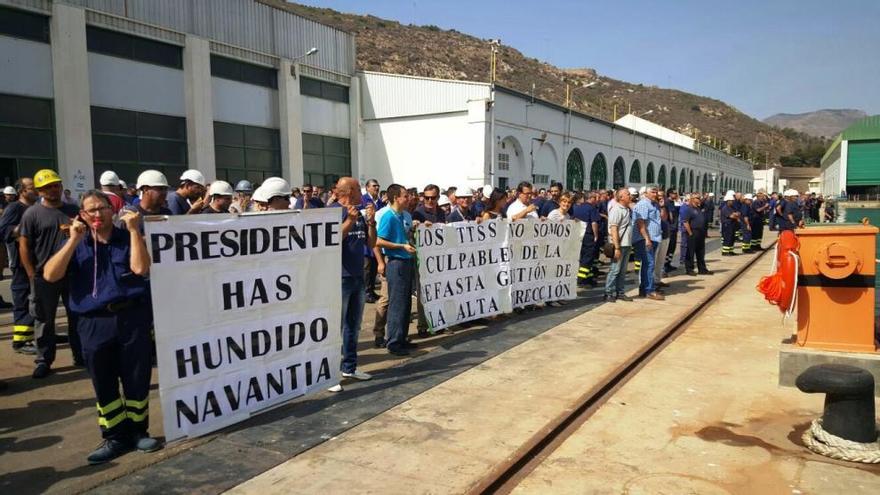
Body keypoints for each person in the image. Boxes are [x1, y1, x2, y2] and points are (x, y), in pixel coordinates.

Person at [42, 191, 160, 464]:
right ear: (81, 215)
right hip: (94, 323)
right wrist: (73, 238)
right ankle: (114, 437)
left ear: (113, 210)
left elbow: (141, 269)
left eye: (102, 208)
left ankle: (138, 431)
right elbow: (50, 275)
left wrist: (132, 230)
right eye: (90, 210)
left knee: (136, 377)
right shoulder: (76, 244)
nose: (97, 214)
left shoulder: (127, 238)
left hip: (131, 319)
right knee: (103, 381)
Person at [18, 169, 82, 378]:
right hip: (44, 276)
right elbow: (24, 246)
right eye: (47, 187)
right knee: (44, 320)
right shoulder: (32, 214)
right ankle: (44, 359)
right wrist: (30, 274)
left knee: (77, 317)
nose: (53, 190)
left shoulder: (73, 210)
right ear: (39, 191)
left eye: (56, 185)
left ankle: (80, 355)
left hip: (73, 274)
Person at [328, 178, 376, 392]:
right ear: (347, 191)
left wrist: (372, 222)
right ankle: (331, 375)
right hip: (339, 276)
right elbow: (331, 238)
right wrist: (348, 221)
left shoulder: (360, 212)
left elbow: (371, 243)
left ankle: (350, 367)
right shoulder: (332, 211)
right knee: (335, 328)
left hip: (357, 276)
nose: (361, 192)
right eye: (358, 189)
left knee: (353, 326)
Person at [375, 184, 417, 356]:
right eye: (405, 196)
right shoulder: (388, 217)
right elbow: (379, 241)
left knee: (405, 302)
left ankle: (402, 337)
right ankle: (393, 341)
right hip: (396, 262)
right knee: (397, 303)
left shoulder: (401, 216)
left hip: (406, 261)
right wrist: (401, 246)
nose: (408, 199)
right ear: (395, 198)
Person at [0, 178, 38, 353]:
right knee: (22, 300)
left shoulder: (35, 208)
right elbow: (4, 231)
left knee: (37, 300)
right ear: (22, 190)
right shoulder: (15, 208)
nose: (36, 189)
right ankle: (21, 342)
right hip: (21, 264)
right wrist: (26, 227)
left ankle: (38, 335)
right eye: (32, 187)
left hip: (36, 261)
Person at [632, 185, 664, 300]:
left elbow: (661, 218)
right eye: (653, 192)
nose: (655, 194)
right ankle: (649, 290)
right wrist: (647, 239)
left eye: (656, 192)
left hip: (654, 238)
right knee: (649, 264)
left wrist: (662, 205)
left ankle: (644, 290)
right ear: (645, 193)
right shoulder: (643, 204)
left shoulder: (654, 204)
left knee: (648, 264)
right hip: (645, 239)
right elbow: (640, 223)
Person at [604, 188, 633, 302]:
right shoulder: (616, 210)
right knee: (615, 270)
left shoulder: (627, 209)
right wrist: (617, 247)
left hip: (626, 244)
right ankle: (608, 292)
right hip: (619, 245)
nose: (630, 196)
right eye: (628, 194)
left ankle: (620, 292)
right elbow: (614, 229)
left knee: (622, 270)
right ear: (621, 197)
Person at [361, 179, 384, 303]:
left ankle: (371, 290)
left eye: (377, 185)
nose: (376, 188)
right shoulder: (363, 200)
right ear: (367, 187)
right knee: (367, 267)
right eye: (374, 186)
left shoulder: (380, 202)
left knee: (374, 267)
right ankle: (366, 292)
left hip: (378, 237)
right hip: (367, 238)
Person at [572, 192, 600, 286]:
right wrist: (596, 235)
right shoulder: (592, 208)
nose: (597, 200)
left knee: (583, 257)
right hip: (588, 235)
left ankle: (589, 278)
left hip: (579, 235)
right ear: (591, 198)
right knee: (587, 258)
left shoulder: (578, 207)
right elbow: (594, 223)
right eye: (595, 198)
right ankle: (581, 279)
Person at [683, 194, 712, 275]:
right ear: (692, 199)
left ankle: (702, 269)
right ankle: (689, 269)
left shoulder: (698, 209)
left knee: (701, 252)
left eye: (700, 198)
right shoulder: (689, 209)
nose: (699, 199)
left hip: (701, 233)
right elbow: (685, 222)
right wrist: (690, 233)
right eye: (697, 198)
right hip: (693, 232)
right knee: (690, 251)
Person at [719, 191, 740, 256]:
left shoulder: (732, 207)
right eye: (731, 200)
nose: (732, 202)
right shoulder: (725, 208)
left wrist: (735, 214)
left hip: (732, 224)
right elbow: (731, 216)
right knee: (727, 238)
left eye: (732, 200)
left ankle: (730, 251)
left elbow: (738, 213)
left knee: (732, 238)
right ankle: (725, 252)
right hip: (727, 225)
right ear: (727, 201)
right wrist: (735, 215)